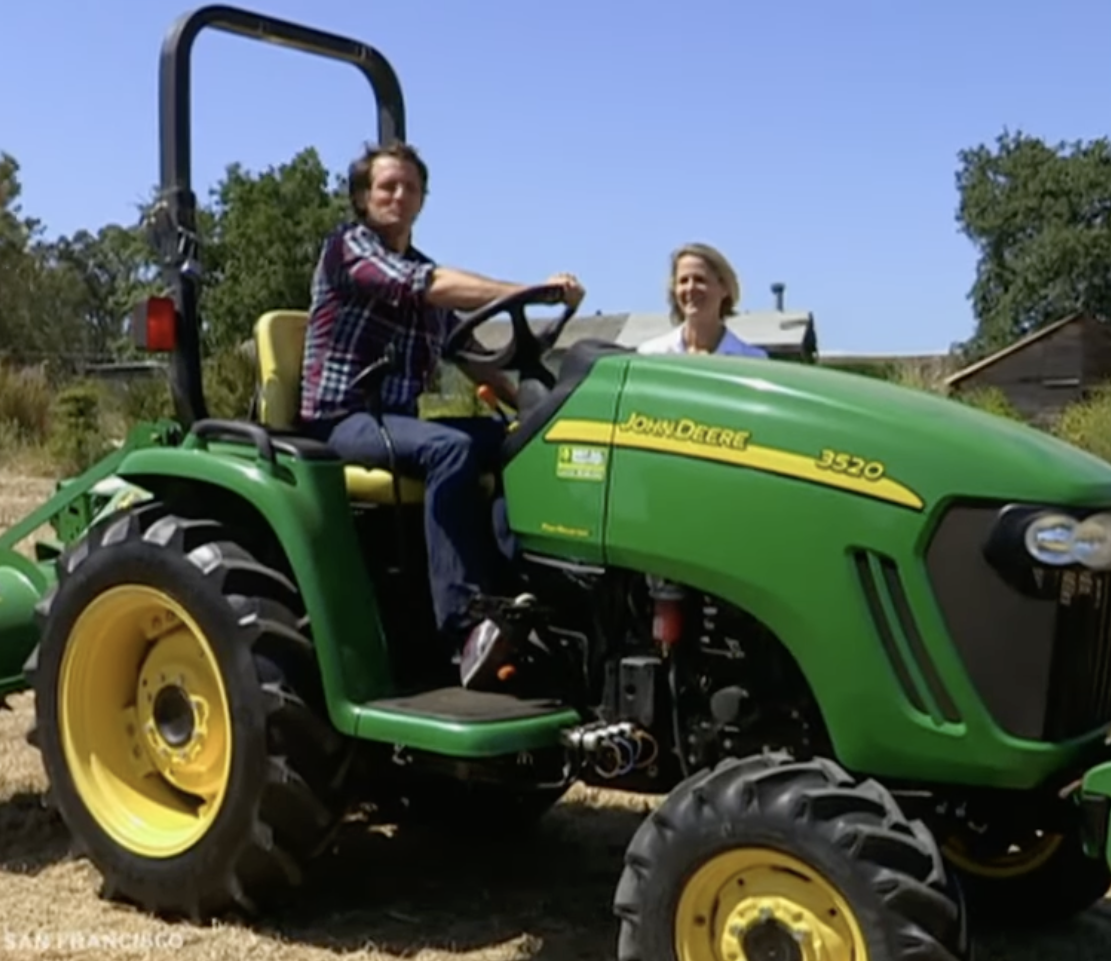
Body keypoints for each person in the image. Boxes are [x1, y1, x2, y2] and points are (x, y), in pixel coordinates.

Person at [297, 139, 585, 683]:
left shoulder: (423, 272)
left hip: (396, 419)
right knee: (448, 449)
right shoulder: (349, 250)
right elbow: (429, 288)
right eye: (387, 186)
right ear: (364, 197)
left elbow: (470, 355)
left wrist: (529, 408)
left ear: (423, 198)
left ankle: (517, 593)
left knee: (510, 443)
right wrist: (534, 290)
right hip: (341, 419)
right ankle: (463, 625)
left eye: (410, 187)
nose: (399, 195)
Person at [634, 242, 768, 357]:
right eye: (683, 281)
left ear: (724, 288)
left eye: (700, 280)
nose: (690, 288)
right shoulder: (653, 355)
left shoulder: (751, 360)